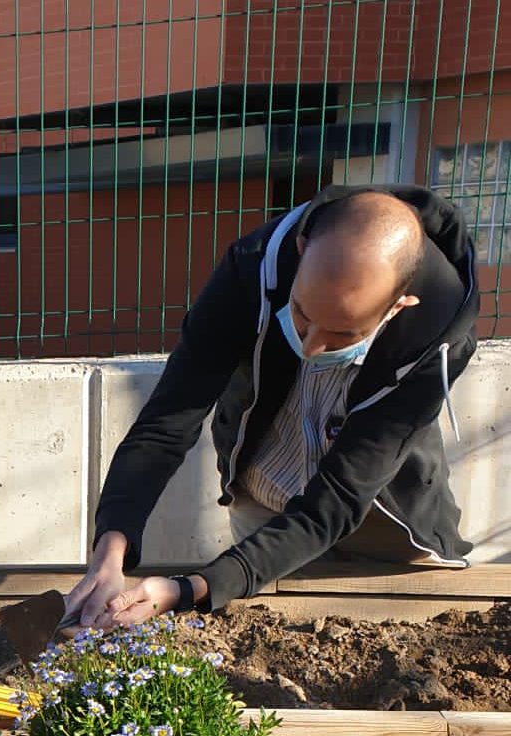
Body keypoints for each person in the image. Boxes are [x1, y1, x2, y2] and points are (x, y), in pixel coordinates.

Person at [68, 186, 478, 630]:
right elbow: (168, 421)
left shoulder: (438, 334)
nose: (310, 344)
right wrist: (111, 552)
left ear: (398, 307)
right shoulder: (252, 266)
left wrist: (186, 589)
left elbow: (340, 497)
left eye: (341, 334)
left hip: (386, 529)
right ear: (302, 251)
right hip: (264, 505)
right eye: (301, 313)